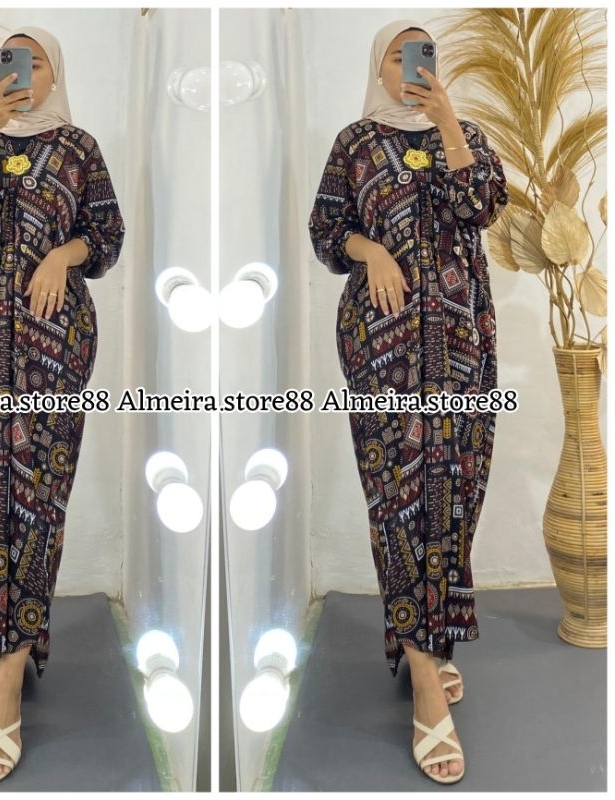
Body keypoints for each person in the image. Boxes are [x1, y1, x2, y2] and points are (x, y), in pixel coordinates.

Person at [309, 19, 507, 785]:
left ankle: (429, 634)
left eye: (424, 56)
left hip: (462, 344)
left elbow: (482, 205)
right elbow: (327, 232)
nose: (413, 67)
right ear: (379, 66)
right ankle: (424, 677)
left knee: (456, 490)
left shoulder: (469, 135)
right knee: (397, 498)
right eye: (400, 55)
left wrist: (449, 118)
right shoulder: (356, 143)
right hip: (380, 343)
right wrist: (372, 250)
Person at [0, 27, 125, 784]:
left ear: (54, 72)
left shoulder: (77, 148)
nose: (20, 74)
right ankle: (6, 634)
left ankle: (9, 679)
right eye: (10, 63)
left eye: (33, 62)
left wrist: (60, 255)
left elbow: (105, 238)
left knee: (36, 500)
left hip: (52, 345)